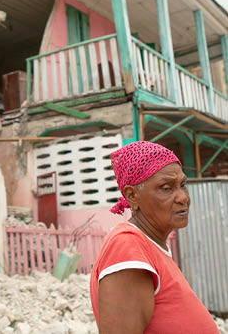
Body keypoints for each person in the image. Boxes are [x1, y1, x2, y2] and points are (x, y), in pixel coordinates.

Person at [90, 141, 218, 334]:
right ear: (132, 196)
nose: (183, 197)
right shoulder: (127, 247)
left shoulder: (153, 247)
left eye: (183, 185)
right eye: (166, 188)